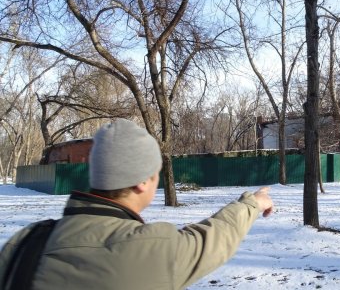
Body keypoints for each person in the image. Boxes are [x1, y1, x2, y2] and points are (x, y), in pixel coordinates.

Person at [0, 119, 273, 290]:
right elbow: (216, 236)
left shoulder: (23, 243)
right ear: (143, 181)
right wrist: (253, 203)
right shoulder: (152, 249)